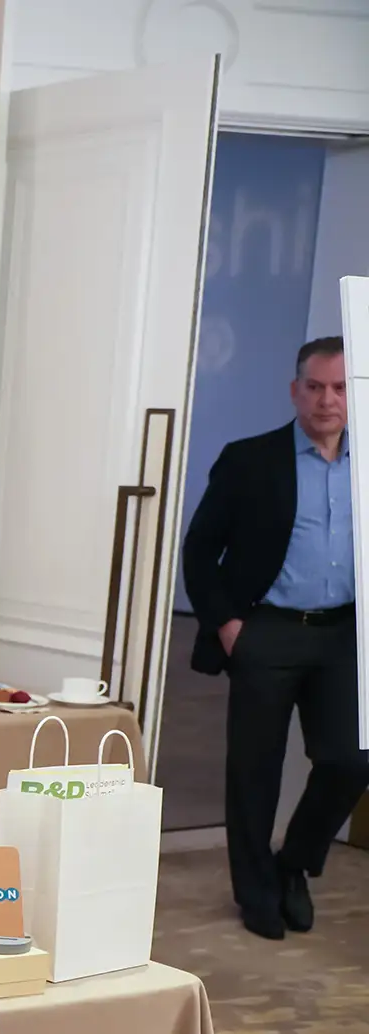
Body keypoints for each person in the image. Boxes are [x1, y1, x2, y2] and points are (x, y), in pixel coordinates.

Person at [182, 335, 364, 941]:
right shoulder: (250, 460)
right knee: (253, 771)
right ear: (295, 391)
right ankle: (256, 891)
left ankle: (294, 865)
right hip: (266, 632)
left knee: (351, 759)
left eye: (339, 388)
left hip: (342, 636)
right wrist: (229, 625)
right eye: (315, 387)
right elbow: (200, 550)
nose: (327, 400)